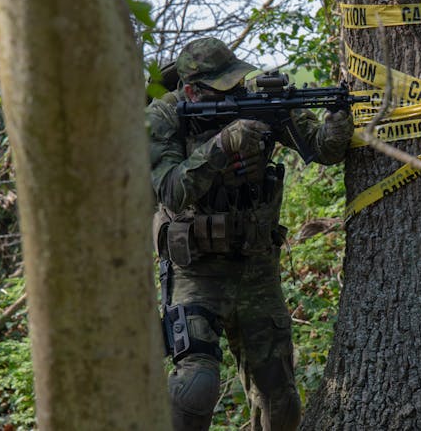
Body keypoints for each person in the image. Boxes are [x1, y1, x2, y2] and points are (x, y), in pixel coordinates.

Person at [146, 37, 354, 431]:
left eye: (237, 81)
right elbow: (170, 189)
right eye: (224, 86)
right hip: (196, 270)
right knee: (196, 383)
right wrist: (223, 144)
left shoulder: (259, 101)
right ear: (192, 89)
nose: (237, 90)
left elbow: (322, 150)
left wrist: (337, 124)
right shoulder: (164, 117)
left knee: (280, 398)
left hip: (256, 265)